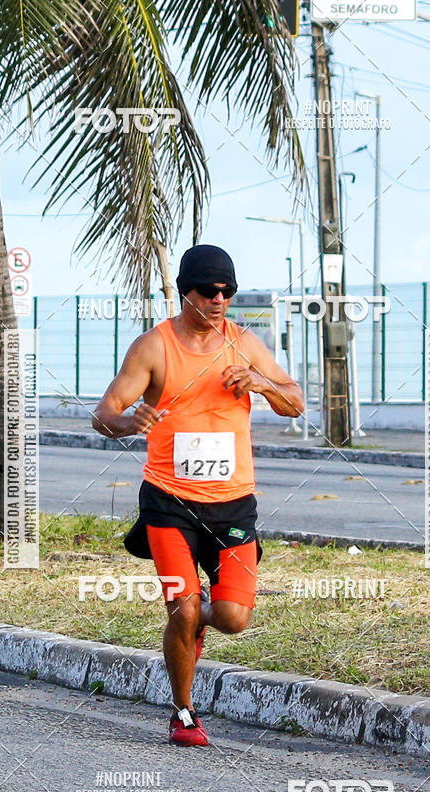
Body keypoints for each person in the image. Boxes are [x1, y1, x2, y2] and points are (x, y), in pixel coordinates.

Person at [93, 245, 303, 746]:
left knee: (232, 618)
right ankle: (183, 713)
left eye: (227, 291)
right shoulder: (153, 347)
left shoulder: (245, 345)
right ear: (185, 290)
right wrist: (127, 423)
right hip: (169, 502)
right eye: (209, 291)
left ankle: (200, 613)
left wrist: (260, 383)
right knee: (183, 610)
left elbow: (294, 402)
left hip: (233, 504)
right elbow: (104, 412)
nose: (219, 300)